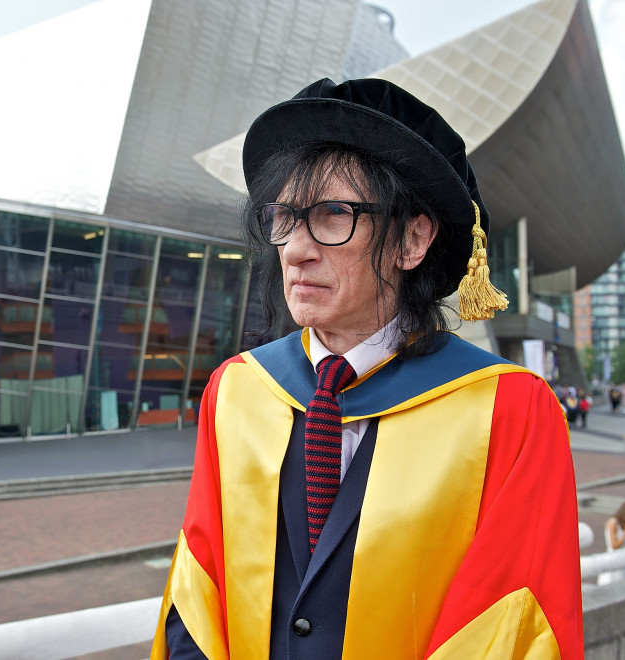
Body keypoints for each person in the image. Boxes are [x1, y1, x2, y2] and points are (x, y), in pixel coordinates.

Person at [151, 78, 582, 659]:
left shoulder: (508, 412)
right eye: (284, 215)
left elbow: (512, 625)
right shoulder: (238, 391)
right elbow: (197, 596)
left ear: (411, 239)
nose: (296, 248)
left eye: (333, 214)